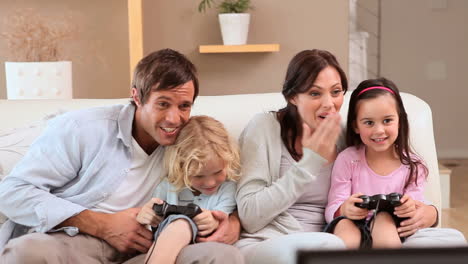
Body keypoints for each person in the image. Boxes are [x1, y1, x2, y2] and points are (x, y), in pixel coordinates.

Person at [0, 49, 244, 264]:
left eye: (184, 106)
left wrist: (232, 221)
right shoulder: (82, 129)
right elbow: (11, 192)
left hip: (148, 251)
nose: (174, 119)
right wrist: (102, 225)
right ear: (137, 97)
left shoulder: (187, 141)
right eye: (162, 104)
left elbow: (218, 180)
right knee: (27, 252)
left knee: (224, 257)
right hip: (78, 246)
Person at [235, 49, 466, 264]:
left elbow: (390, 173)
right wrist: (309, 163)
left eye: (336, 92)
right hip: (274, 239)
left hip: (342, 237)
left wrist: (428, 213)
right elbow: (250, 216)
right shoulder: (264, 127)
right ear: (292, 96)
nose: (329, 104)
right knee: (329, 246)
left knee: (451, 239)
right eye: (315, 93)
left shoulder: (347, 134)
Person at [324, 78, 429, 249]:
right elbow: (332, 208)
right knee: (346, 227)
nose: (379, 130)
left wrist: (409, 208)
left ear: (400, 121)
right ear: (356, 126)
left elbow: (416, 208)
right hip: (352, 224)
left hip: (392, 229)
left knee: (383, 220)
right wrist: (344, 209)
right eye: (369, 122)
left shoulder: (414, 166)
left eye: (387, 120)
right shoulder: (347, 159)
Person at [136, 115, 240, 264]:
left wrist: (212, 222)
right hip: (162, 245)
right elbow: (151, 221)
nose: (210, 182)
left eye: (218, 172)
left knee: (184, 222)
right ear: (180, 167)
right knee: (180, 221)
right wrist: (145, 216)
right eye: (198, 176)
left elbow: (221, 219)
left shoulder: (228, 188)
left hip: (197, 248)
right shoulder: (168, 186)